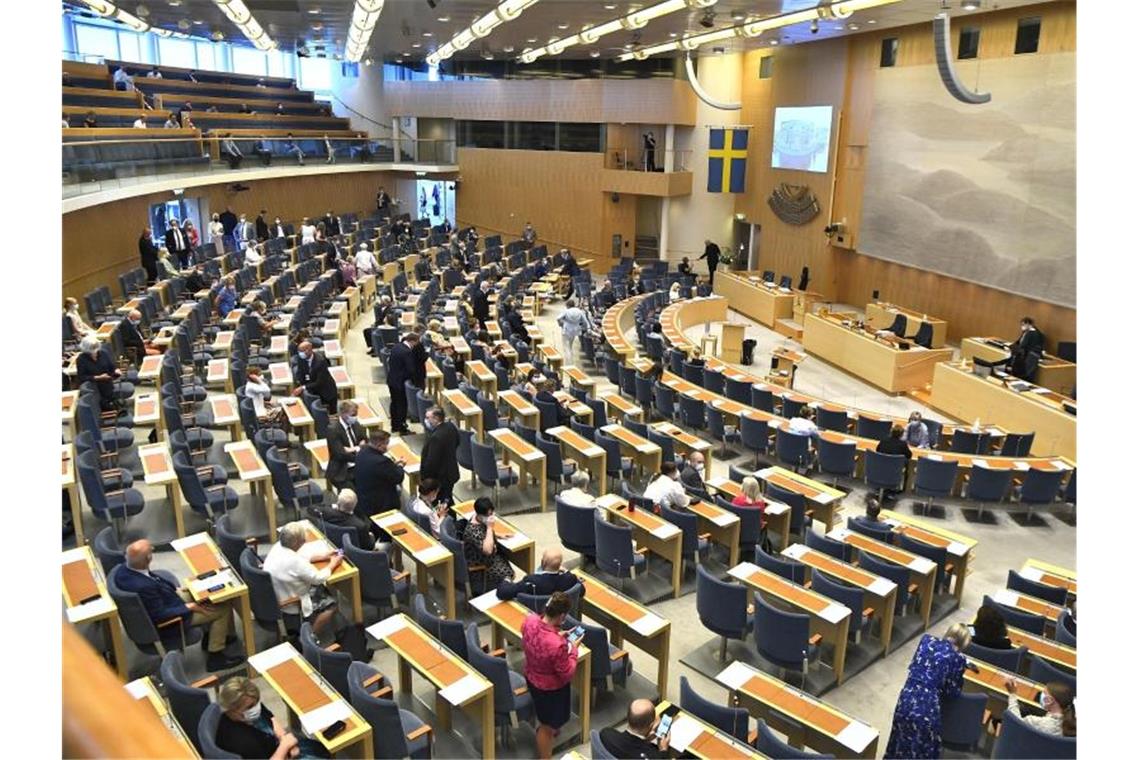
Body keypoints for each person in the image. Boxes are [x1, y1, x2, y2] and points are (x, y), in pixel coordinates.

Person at [119, 539, 242, 671]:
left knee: (209, 595)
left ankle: (213, 637)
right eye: (151, 551)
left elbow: (154, 580)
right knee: (222, 608)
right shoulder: (144, 587)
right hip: (172, 619)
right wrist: (188, 607)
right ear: (146, 560)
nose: (153, 550)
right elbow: (159, 614)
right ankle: (216, 657)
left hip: (167, 598)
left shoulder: (125, 569)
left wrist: (176, 590)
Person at [884, 623, 972, 759]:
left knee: (898, 741)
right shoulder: (958, 659)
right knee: (921, 750)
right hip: (926, 708)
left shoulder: (926, 640)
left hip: (906, 699)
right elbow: (952, 693)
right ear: (964, 644)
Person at [522, 590, 580, 759]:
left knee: (547, 718)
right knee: (546, 726)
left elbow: (534, 639)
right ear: (562, 616)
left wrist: (558, 635)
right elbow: (567, 673)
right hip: (550, 689)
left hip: (531, 675)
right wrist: (573, 650)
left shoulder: (530, 620)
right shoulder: (557, 645)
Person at [214, 677, 330, 759]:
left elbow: (270, 717)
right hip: (272, 754)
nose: (256, 708)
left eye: (257, 702)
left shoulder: (247, 705)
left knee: (322, 749)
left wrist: (283, 736)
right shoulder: (242, 742)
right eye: (250, 706)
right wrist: (285, 747)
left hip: (275, 745)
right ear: (232, 709)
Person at [263, 522, 343, 638]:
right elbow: (318, 578)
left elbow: (300, 556)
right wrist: (333, 563)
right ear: (295, 542)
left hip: (280, 590)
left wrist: (323, 556)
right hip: (293, 599)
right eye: (302, 541)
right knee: (332, 605)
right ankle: (310, 637)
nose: (304, 543)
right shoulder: (294, 562)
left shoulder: (278, 547)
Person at [463, 497, 515, 590]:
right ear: (480, 515)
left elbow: (483, 534)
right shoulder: (473, 531)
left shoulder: (477, 518)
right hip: (482, 565)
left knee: (507, 555)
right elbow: (487, 550)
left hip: (490, 558)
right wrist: (490, 528)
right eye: (489, 515)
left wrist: (498, 535)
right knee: (509, 574)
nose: (491, 517)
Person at [354, 429, 406, 517]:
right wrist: (400, 465)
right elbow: (398, 477)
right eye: (387, 443)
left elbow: (379, 470)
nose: (388, 446)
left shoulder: (362, 452)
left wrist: (392, 465)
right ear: (379, 445)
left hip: (364, 497)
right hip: (381, 505)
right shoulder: (382, 461)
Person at [312, 489, 381, 551]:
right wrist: (372, 537)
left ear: (338, 502)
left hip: (331, 546)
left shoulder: (326, 513)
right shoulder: (360, 525)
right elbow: (368, 547)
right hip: (353, 555)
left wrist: (332, 506)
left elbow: (311, 508)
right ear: (356, 503)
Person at [498, 549, 582, 600]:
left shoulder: (531, 581)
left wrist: (507, 579)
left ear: (542, 562)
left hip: (535, 615)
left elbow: (503, 593)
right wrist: (567, 572)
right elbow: (581, 591)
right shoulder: (569, 579)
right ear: (560, 565)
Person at [600, 699, 671, 759]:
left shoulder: (606, 734)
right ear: (651, 726)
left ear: (628, 718)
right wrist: (663, 750)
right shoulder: (652, 755)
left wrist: (646, 741)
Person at [1004, 680, 1076, 737]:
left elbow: (1014, 722)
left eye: (1044, 693)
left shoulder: (1035, 722)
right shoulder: (1072, 724)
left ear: (1049, 700)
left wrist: (1012, 694)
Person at [420, 406, 460, 505]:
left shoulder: (436, 437)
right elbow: (457, 442)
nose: (426, 420)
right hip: (451, 472)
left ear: (436, 419)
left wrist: (425, 479)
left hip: (440, 478)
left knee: (442, 503)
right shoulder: (451, 427)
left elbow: (432, 463)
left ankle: (448, 519)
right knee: (447, 498)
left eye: (428, 418)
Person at [326, 400, 365, 491]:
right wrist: (359, 452)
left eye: (356, 414)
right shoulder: (333, 430)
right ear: (343, 414)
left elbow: (365, 440)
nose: (355, 417)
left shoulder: (356, 424)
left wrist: (353, 449)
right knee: (352, 494)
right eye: (353, 415)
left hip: (357, 465)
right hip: (341, 470)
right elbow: (340, 454)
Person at [386, 332, 419, 435]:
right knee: (402, 405)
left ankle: (394, 426)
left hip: (391, 380)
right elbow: (411, 369)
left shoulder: (396, 346)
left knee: (394, 403)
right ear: (413, 341)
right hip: (400, 383)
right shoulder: (407, 352)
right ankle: (402, 427)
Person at [291, 340, 338, 410]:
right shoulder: (301, 359)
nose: (300, 353)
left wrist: (303, 387)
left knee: (329, 411)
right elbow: (300, 373)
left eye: (302, 351)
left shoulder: (320, 362)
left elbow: (319, 382)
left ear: (309, 350)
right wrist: (300, 384)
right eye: (299, 351)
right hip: (313, 388)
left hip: (326, 391)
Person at [76, 336, 120, 411]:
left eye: (95, 346)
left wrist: (116, 370)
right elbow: (82, 377)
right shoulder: (81, 359)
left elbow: (112, 367)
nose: (94, 350)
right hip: (95, 389)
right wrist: (97, 377)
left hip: (108, 384)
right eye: (92, 347)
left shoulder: (103, 353)